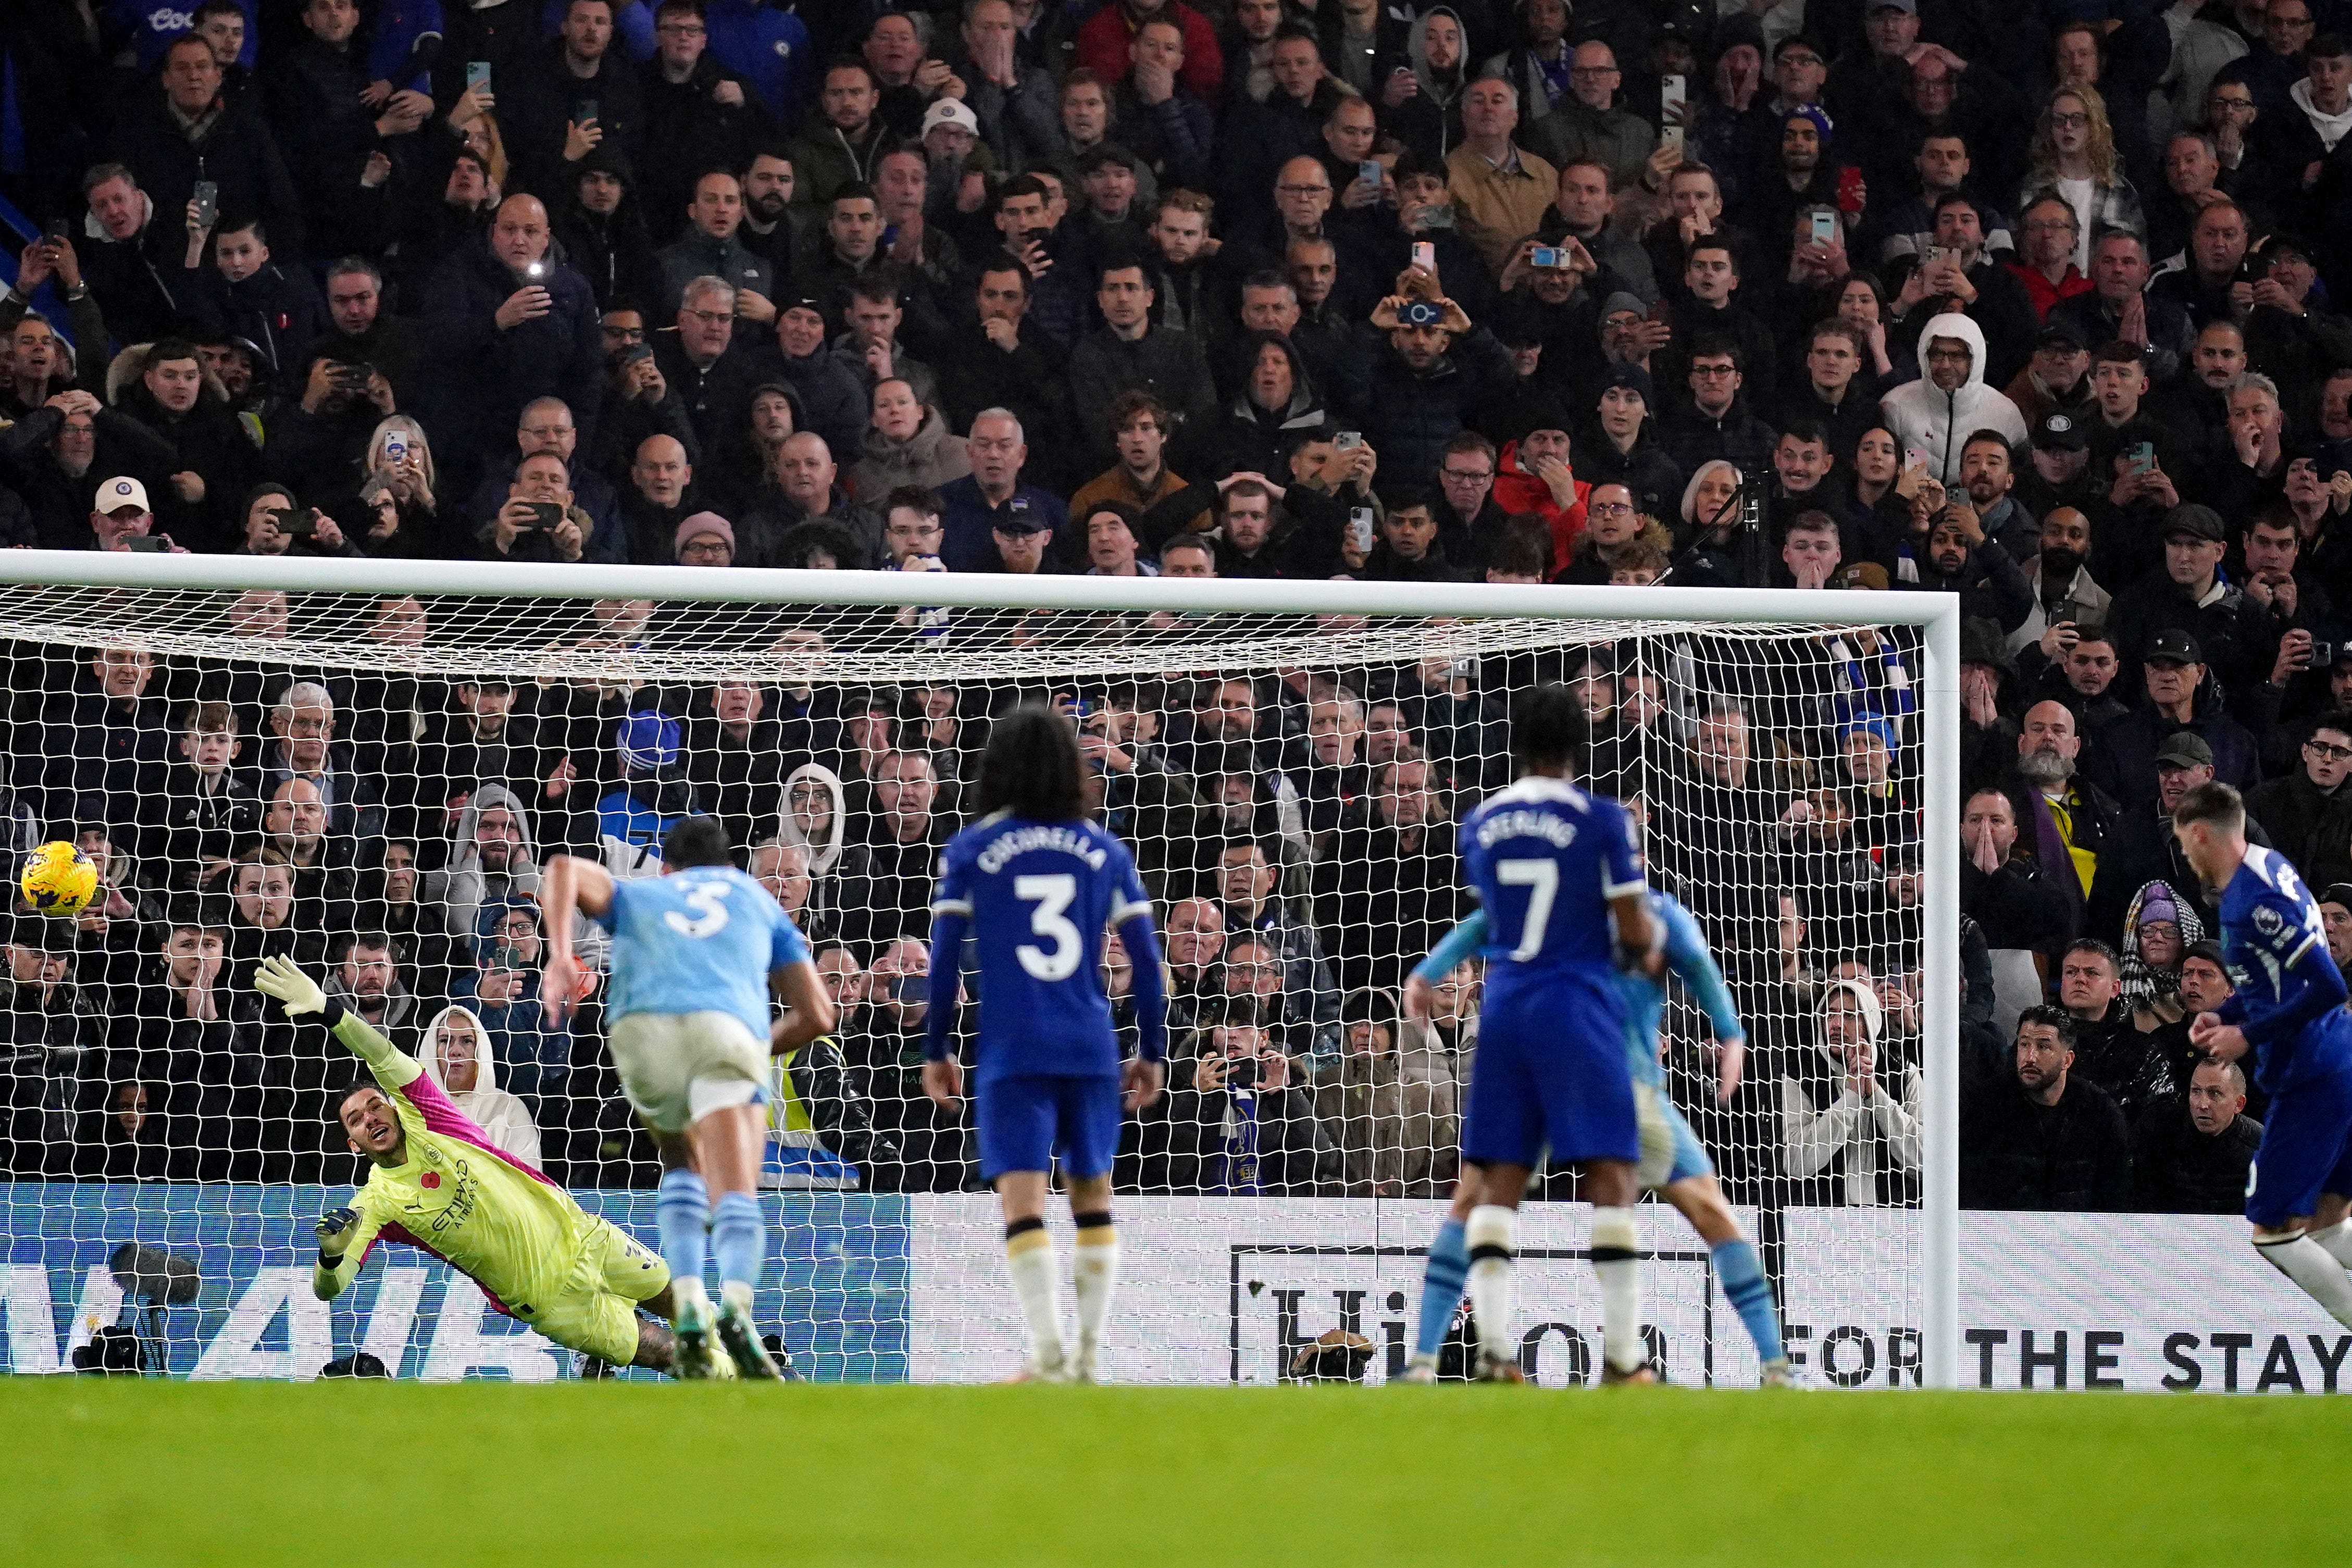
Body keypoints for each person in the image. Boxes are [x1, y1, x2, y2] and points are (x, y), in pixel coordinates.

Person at [1401, 888, 1789, 1385]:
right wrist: (1730, 1033)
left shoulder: (1565, 902)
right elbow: (1699, 971)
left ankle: (1439, 1360)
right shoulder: (1627, 909)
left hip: (1550, 1081)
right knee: (1699, 1209)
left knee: (1476, 1205)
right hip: (1616, 1088)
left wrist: (1429, 970)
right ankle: (1749, 1364)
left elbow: (1485, 922)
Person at [252, 954, 690, 1377]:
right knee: (667, 1352)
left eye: (374, 1106)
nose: (370, 1117)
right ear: (353, 1144)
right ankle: (733, 1392)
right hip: (546, 1296)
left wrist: (331, 1011)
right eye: (356, 1120)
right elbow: (329, 1288)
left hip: (583, 1236)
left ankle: (753, 1364)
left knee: (682, 1302)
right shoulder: (377, 1203)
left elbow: (382, 1055)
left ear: (393, 1108)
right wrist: (331, 1258)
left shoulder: (433, 1118)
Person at [919, 706, 1169, 1382]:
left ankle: (1048, 1351)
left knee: (1023, 1201)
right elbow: (1145, 961)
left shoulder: (971, 849)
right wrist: (1152, 1049)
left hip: (1012, 1047)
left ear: (993, 766)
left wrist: (936, 1046)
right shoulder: (1102, 848)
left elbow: (943, 960)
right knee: (1093, 1196)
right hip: (1090, 1044)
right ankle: (1087, 1355)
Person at [538, 815, 836, 1378]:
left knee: (679, 1160)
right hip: (725, 1029)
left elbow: (562, 869)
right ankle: (737, 1308)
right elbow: (820, 1014)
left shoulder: (643, 890)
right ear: (730, 867)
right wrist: (753, 1049)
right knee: (734, 1188)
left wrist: (559, 955)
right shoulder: (755, 898)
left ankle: (692, 1302)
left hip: (639, 1029)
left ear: (668, 868)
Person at [1417, 683, 1657, 1383]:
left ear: (1515, 743)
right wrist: (1640, 955)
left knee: (1498, 1176)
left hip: (1503, 1009)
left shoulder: (1479, 822)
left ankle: (1493, 1350)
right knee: (1609, 1170)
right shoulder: (1603, 820)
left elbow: (1497, 918)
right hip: (1576, 1006)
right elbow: (1635, 928)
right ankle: (1620, 1359)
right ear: (1578, 746)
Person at [2171, 781, 2352, 1330]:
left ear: (2201, 835)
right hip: (2336, 1059)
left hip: (2313, 1073)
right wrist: (2225, 1015)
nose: (2185, 855)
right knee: (2327, 1221)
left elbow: (2326, 985)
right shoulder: (2266, 866)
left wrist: (2247, 1035)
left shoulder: (2256, 902)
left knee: (2274, 1232)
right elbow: (2271, 979)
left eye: (2184, 844)